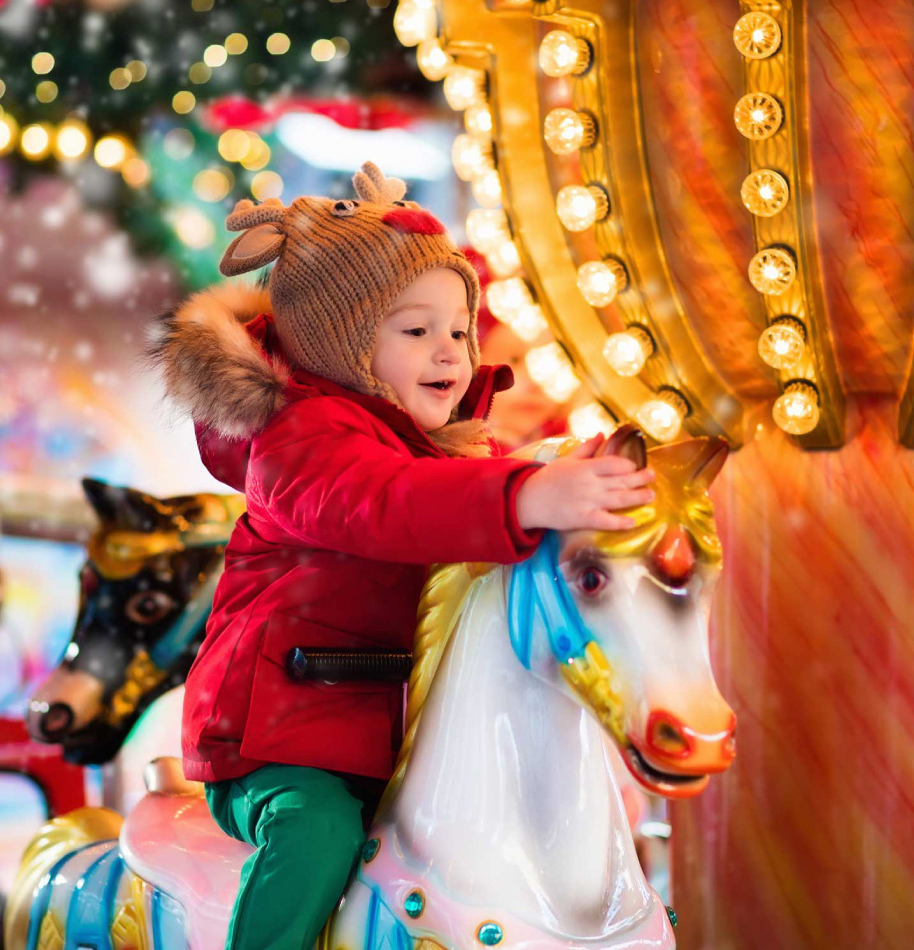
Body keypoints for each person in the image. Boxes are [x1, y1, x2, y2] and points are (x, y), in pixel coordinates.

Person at [149, 162, 655, 950]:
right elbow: (385, 503)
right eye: (415, 331)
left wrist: (566, 473)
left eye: (459, 330)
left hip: (394, 729)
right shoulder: (298, 444)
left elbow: (456, 501)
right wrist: (526, 497)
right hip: (282, 734)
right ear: (341, 344)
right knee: (317, 834)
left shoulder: (438, 450)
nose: (450, 352)